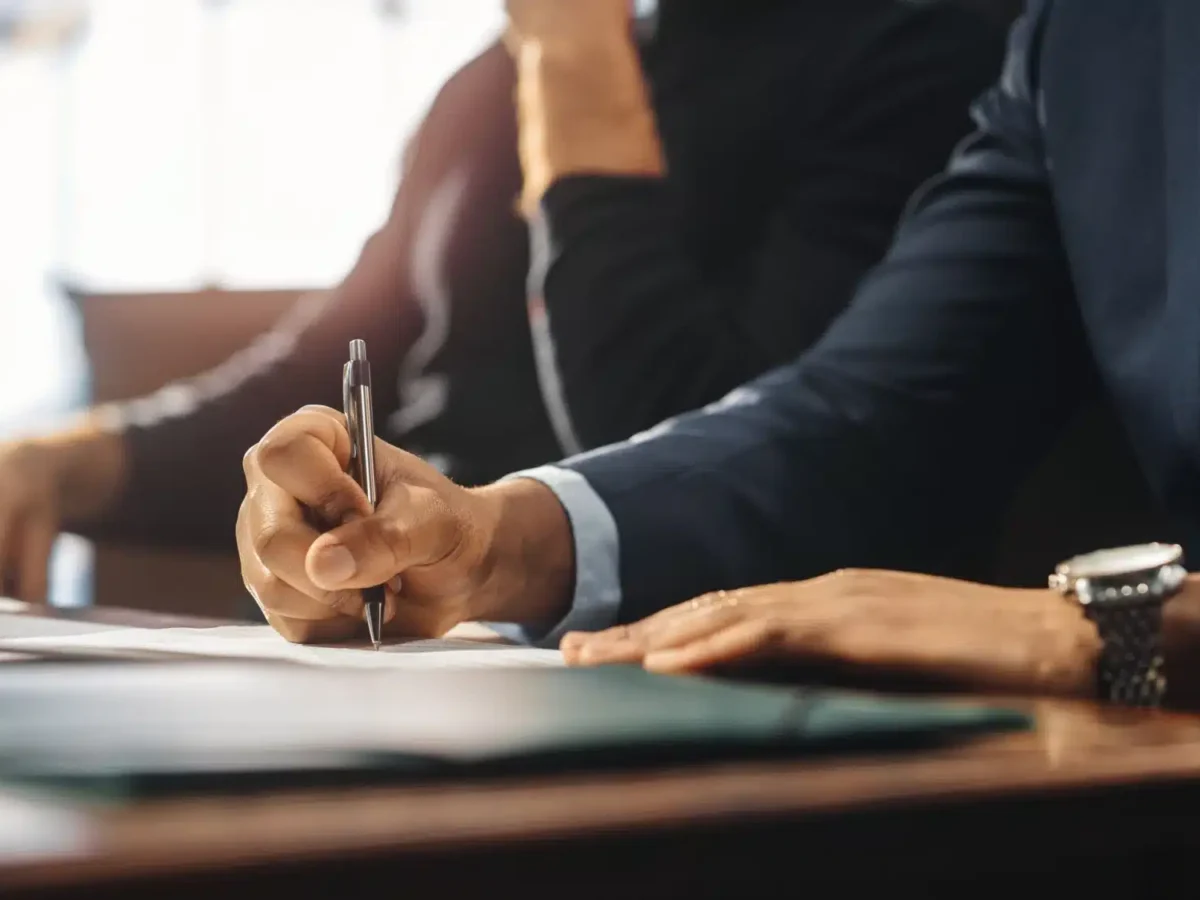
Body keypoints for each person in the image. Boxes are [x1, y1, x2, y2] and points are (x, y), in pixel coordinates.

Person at [238, 0, 1200, 709]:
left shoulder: (915, 42)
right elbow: (870, 417)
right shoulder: (1092, 33)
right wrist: (492, 542)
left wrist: (1125, 629)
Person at [0, 0, 1007, 604]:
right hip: (421, 627)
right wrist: (74, 461)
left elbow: (696, 460)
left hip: (645, 648)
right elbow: (332, 373)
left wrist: (578, 63)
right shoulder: (488, 83)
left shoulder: (918, 50)